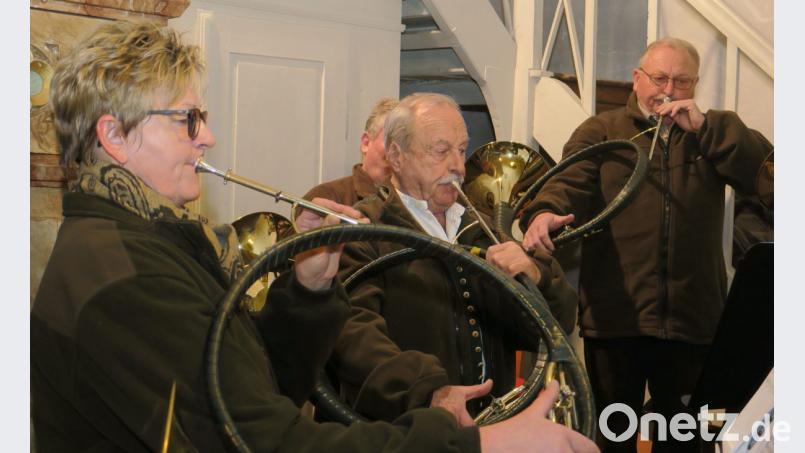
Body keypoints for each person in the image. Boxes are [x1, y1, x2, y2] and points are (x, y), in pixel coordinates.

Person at [30, 21, 598, 453]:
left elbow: (255, 384)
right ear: (115, 136)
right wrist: (476, 443)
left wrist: (306, 292)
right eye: (189, 119)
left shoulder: (149, 245)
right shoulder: (124, 276)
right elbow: (265, 439)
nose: (209, 138)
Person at [518, 37, 774, 452]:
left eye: (682, 80)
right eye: (659, 78)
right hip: (617, 320)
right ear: (636, 79)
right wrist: (544, 212)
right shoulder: (603, 130)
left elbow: (769, 179)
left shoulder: (711, 132)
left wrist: (708, 128)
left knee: (688, 441)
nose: (669, 90)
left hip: (695, 322)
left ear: (695, 85)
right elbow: (565, 183)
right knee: (614, 439)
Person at [328, 92, 580, 425]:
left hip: (488, 428)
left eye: (461, 150)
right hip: (403, 432)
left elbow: (553, 327)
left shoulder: (482, 228)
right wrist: (429, 390)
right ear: (396, 156)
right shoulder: (365, 231)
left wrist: (537, 275)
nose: (458, 166)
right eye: (441, 151)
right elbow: (352, 337)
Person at [302, 98, 398, 206]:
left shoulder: (415, 203)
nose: (400, 149)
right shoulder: (326, 196)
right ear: (366, 143)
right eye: (392, 139)